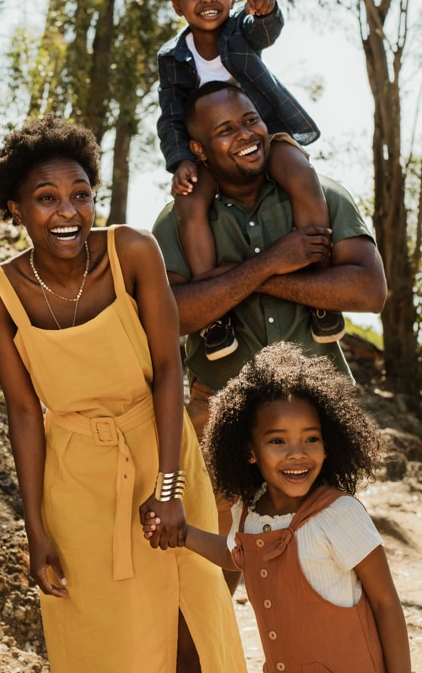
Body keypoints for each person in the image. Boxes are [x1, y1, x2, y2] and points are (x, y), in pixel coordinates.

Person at [0, 117, 246, 673]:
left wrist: (169, 487)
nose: (68, 212)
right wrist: (35, 528)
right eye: (46, 198)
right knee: (103, 636)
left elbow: (169, 369)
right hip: (76, 481)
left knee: (189, 624)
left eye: (81, 195)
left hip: (161, 450)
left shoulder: (132, 252)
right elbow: (24, 412)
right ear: (16, 209)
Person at [152, 79, 387, 588]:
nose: (245, 135)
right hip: (218, 415)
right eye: (225, 130)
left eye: (251, 121)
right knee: (206, 583)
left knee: (324, 573)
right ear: (198, 149)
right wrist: (272, 264)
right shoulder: (179, 221)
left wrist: (249, 278)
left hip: (313, 421)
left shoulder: (319, 195)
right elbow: (172, 314)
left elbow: (369, 289)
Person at [143, 342, 412, 673]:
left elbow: (386, 603)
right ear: (250, 451)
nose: (297, 453)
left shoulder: (339, 513)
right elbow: (236, 554)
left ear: (329, 444)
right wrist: (183, 535)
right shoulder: (250, 508)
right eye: (277, 441)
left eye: (311, 438)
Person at [157, 0, 346, 361]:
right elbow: (171, 115)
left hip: (265, 131)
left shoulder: (240, 32)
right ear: (177, 6)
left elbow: (266, 30)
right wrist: (181, 160)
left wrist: (267, 8)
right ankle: (215, 317)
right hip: (213, 149)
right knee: (189, 203)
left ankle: (319, 291)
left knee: (299, 171)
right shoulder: (172, 59)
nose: (207, 0)